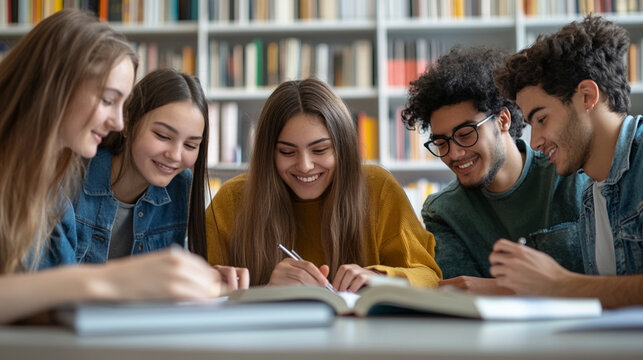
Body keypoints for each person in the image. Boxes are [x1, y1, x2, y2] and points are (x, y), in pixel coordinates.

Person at [0, 9, 224, 324]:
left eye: (190, 144)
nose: (117, 121)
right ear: (57, 87)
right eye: (108, 100)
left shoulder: (43, 176)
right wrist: (113, 281)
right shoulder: (64, 175)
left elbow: (43, 305)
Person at [206, 77, 442, 292]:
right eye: (287, 152)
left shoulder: (377, 188)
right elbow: (199, 289)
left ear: (343, 147)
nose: (305, 165)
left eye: (320, 149)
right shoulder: (232, 200)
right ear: (269, 153)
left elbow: (429, 276)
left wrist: (378, 276)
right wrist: (266, 291)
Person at [401, 46, 587, 295]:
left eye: (466, 134)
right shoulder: (443, 212)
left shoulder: (570, 174)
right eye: (441, 142)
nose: (454, 154)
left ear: (503, 120)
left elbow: (603, 277)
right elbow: (461, 296)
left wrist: (493, 287)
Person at [491, 15, 643, 308]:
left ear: (587, 96)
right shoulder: (590, 196)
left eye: (542, 119)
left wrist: (561, 284)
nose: (534, 141)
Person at [47, 68, 247, 289]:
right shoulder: (69, 178)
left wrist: (202, 278)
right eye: (162, 136)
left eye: (191, 145)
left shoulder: (180, 186)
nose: (175, 155)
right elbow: (52, 286)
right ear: (127, 122)